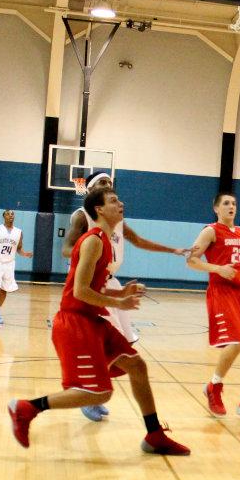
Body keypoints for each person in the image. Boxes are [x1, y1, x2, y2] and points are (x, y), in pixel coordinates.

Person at [7, 187, 189, 455]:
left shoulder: (105, 239)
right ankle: (27, 407)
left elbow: (95, 287)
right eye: (114, 200)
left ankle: (154, 434)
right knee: (100, 394)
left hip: (92, 319)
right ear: (99, 210)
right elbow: (80, 291)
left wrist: (120, 292)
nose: (121, 203)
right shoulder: (93, 241)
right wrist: (120, 303)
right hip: (75, 323)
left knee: (137, 366)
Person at [62, 172, 189, 422]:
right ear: (89, 191)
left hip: (113, 281)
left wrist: (173, 249)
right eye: (101, 183)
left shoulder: (116, 219)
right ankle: (88, 394)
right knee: (106, 344)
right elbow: (66, 248)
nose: (107, 186)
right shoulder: (82, 216)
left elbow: (139, 241)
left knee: (123, 345)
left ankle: (93, 393)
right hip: (91, 284)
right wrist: (86, 254)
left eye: (109, 183)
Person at [186, 192, 240, 420]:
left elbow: (237, 262)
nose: (231, 206)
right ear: (216, 208)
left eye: (234, 203)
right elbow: (191, 260)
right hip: (222, 291)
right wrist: (217, 269)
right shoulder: (210, 231)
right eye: (226, 203)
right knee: (236, 341)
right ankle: (213, 386)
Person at [0, 210, 33, 325]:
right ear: (4, 216)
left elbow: (19, 248)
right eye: (8, 214)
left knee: (5, 289)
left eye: (12, 214)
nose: (11, 215)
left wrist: (25, 253)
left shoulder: (19, 232)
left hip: (9, 264)